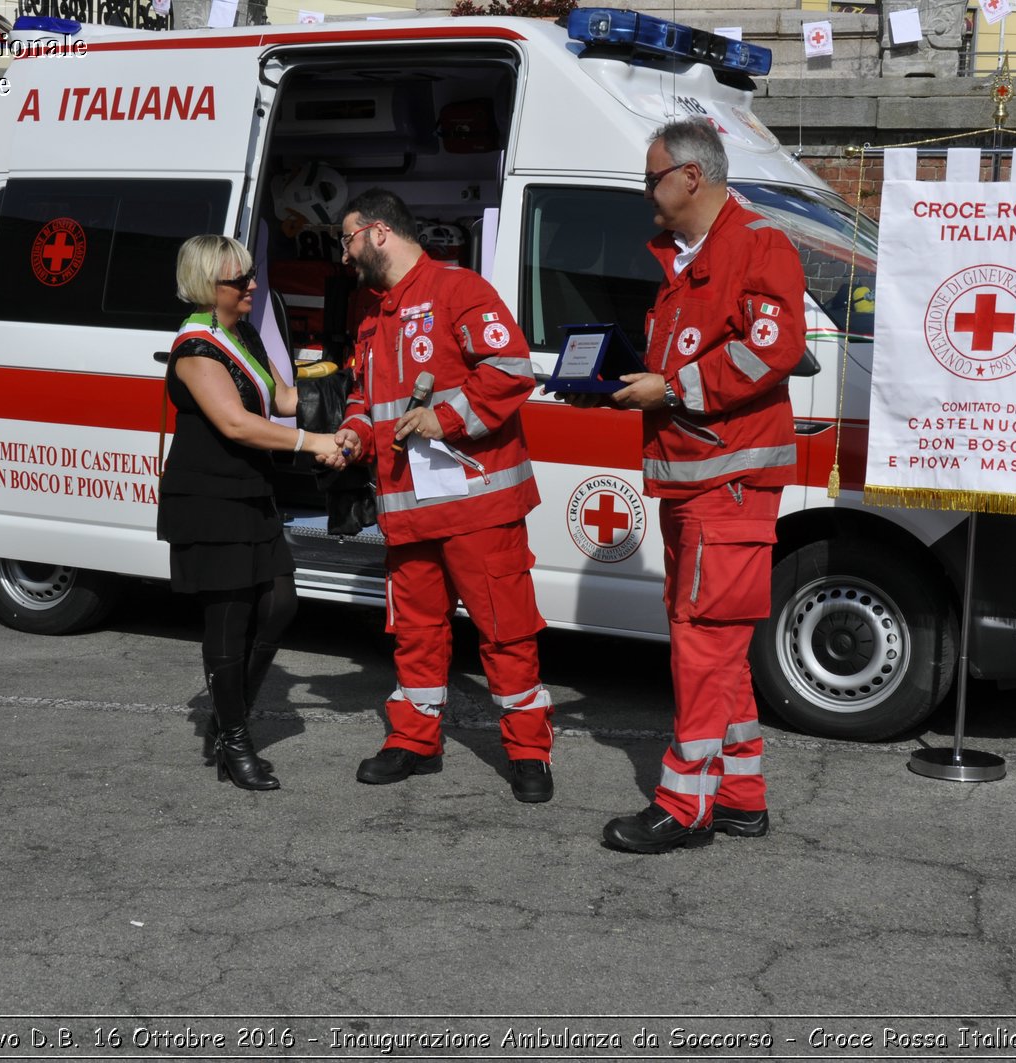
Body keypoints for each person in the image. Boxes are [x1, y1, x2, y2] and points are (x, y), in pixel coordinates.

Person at [578, 119, 806, 853]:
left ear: (690, 177)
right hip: (697, 484)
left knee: (702, 646)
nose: (646, 192)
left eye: (652, 178)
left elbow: (772, 348)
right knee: (718, 645)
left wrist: (671, 387)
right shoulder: (685, 261)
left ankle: (684, 804)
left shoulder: (754, 244)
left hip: (728, 483)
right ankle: (739, 796)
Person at [331, 188, 555, 803]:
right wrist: (352, 435)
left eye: (346, 238)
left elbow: (511, 371)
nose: (343, 255)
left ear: (378, 232)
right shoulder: (370, 315)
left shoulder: (461, 291)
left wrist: (444, 419)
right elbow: (363, 397)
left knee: (506, 632)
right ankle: (413, 740)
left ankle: (529, 752)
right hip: (406, 510)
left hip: (477, 509)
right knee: (416, 633)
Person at [160, 234, 346, 791]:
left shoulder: (240, 335)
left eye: (249, 275)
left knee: (279, 605)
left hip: (249, 490)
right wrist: (315, 444)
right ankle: (235, 739)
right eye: (239, 281)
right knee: (230, 616)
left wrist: (350, 394)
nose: (252, 286)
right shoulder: (196, 349)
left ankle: (227, 716)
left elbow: (283, 400)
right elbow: (237, 424)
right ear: (206, 287)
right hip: (209, 497)